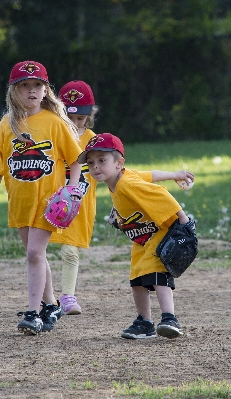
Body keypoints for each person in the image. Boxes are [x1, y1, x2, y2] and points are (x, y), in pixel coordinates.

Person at [0, 61, 83, 335]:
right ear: (13, 92)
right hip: (20, 202)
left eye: (37, 85)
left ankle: (33, 312)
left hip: (49, 203)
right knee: (35, 255)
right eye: (24, 86)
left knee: (35, 253)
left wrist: (72, 190)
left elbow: (75, 161)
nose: (31, 90)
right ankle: (51, 306)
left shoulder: (55, 123)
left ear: (47, 90)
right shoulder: (7, 124)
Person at [78, 133, 195, 339]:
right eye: (91, 162)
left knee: (157, 274)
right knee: (137, 278)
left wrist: (185, 224)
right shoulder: (122, 177)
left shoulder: (127, 184)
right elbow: (150, 174)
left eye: (102, 160)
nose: (95, 166)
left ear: (119, 163)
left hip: (161, 233)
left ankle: (169, 318)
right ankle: (144, 323)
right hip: (142, 237)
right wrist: (175, 174)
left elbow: (161, 194)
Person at [49, 80, 99, 315]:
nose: (76, 123)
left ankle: (67, 297)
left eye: (81, 119)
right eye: (71, 118)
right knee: (38, 250)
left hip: (79, 205)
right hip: (51, 202)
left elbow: (107, 170)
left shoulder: (92, 140)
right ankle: (46, 294)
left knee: (70, 251)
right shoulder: (53, 134)